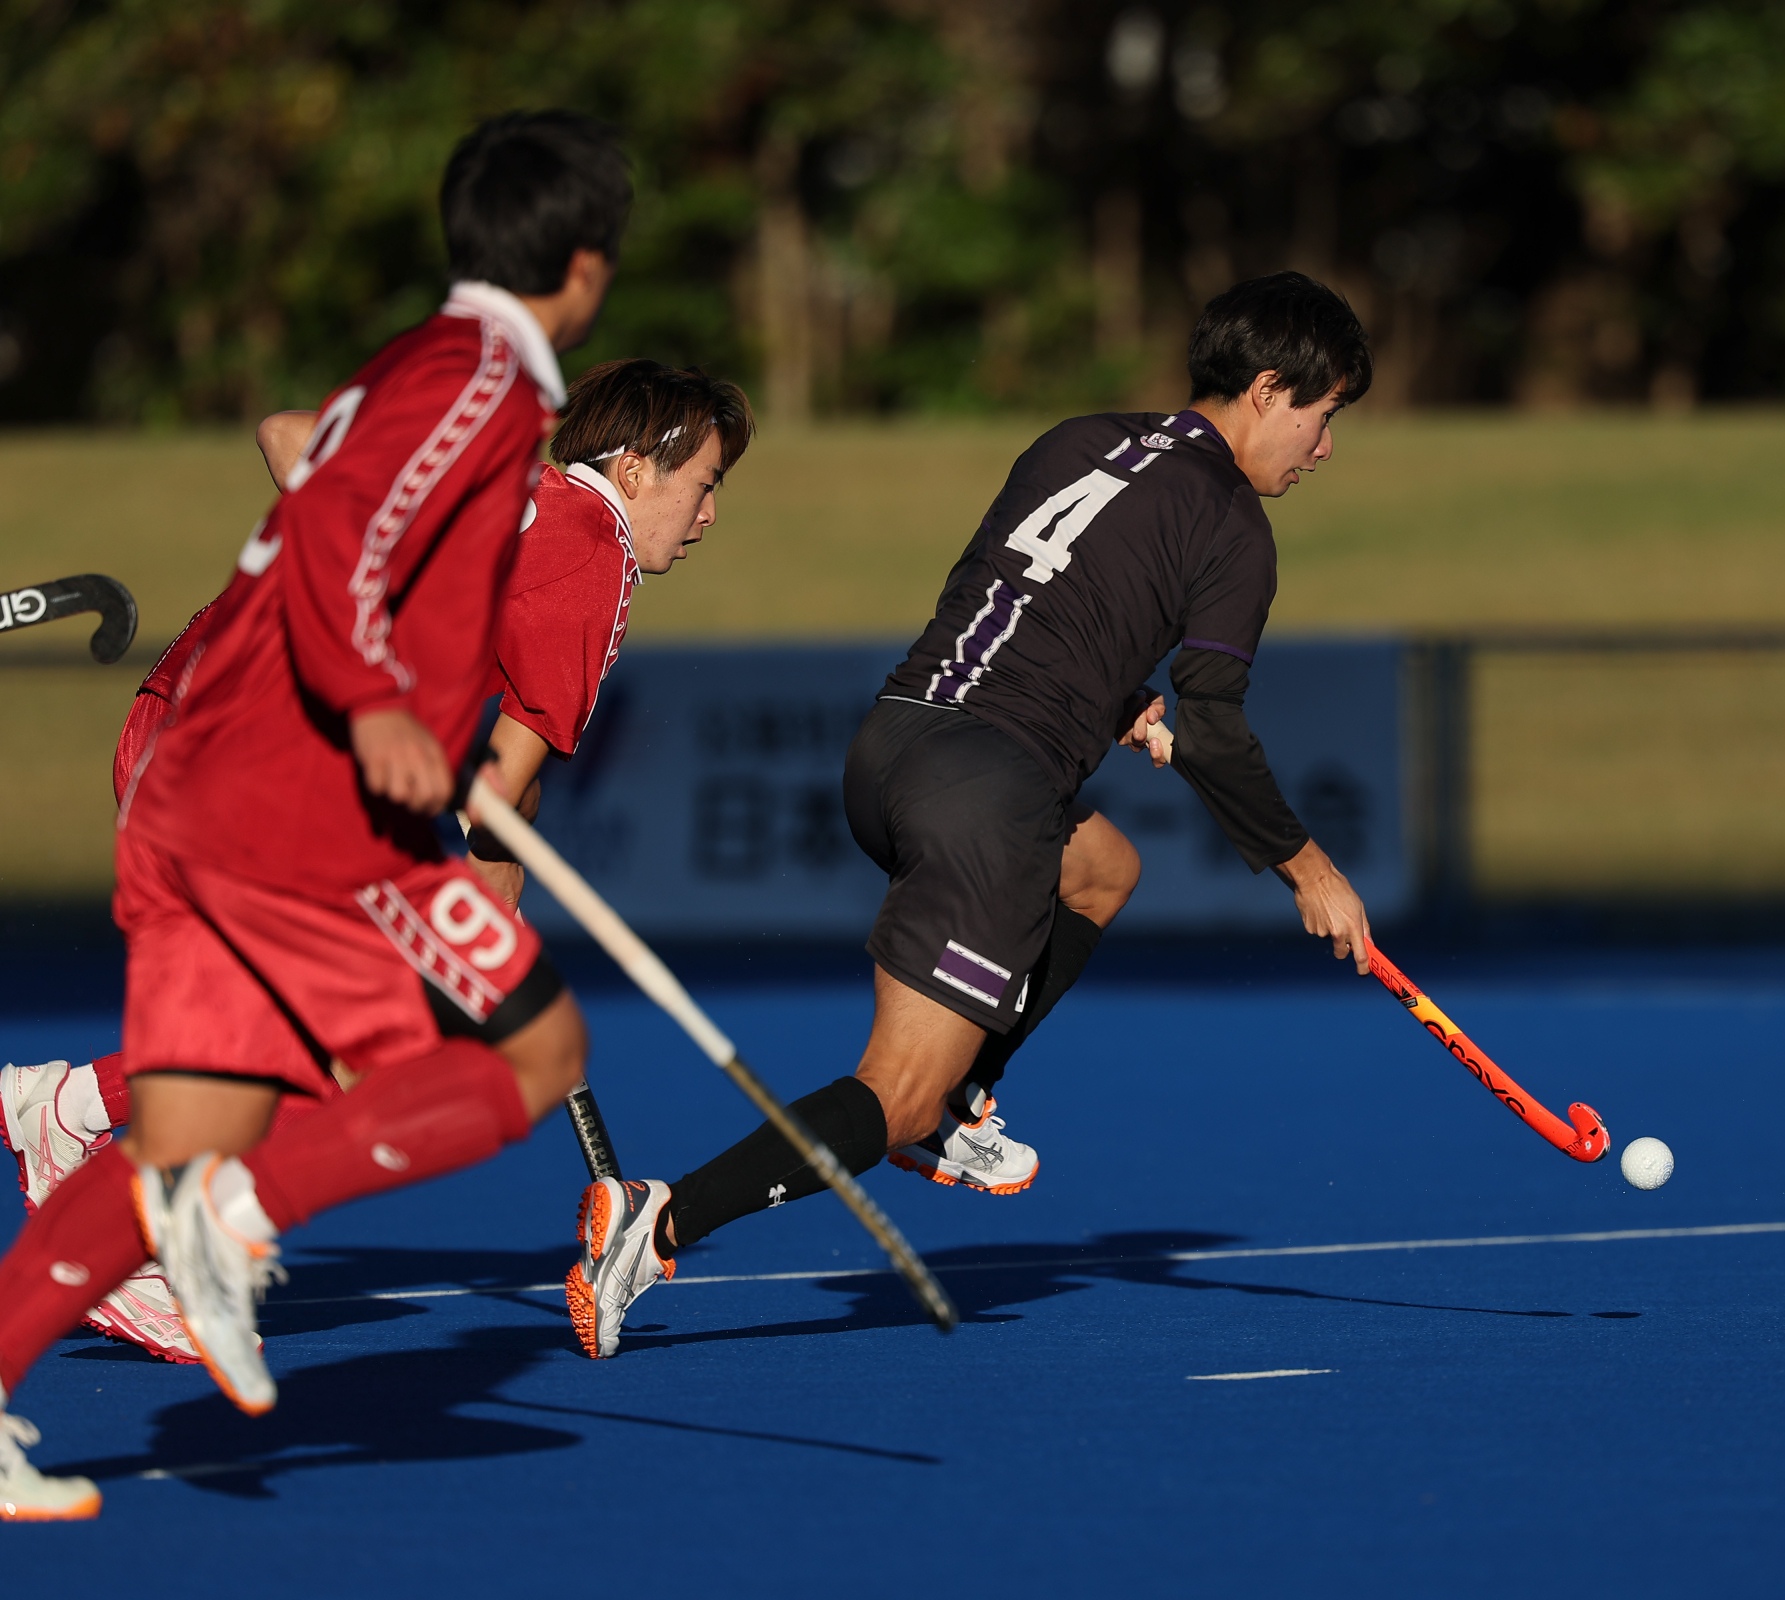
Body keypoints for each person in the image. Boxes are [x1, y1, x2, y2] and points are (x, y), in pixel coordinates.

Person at [0, 109, 630, 1521]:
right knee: (533, 1049)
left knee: (192, 1120)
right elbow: (342, 529)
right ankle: (231, 1216)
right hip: (293, 801)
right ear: (586, 265)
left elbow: (313, 476)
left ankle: (174, 1215)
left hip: (224, 782)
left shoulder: (425, 358)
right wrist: (376, 705)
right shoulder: (483, 381)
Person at [568, 270, 1375, 1360]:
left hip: (894, 742)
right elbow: (1220, 731)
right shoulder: (1232, 524)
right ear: (1270, 390)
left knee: (1103, 870)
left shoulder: (1081, 439)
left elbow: (1007, 591)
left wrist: (1110, 694)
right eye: (1323, 416)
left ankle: (965, 1096)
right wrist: (1309, 869)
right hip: (989, 798)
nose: (1323, 448)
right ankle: (658, 1224)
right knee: (893, 1094)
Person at [0, 357, 751, 1370]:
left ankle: (73, 1116)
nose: (707, 516)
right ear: (633, 469)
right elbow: (502, 791)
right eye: (704, 483)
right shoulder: (594, 561)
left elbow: (283, 433)